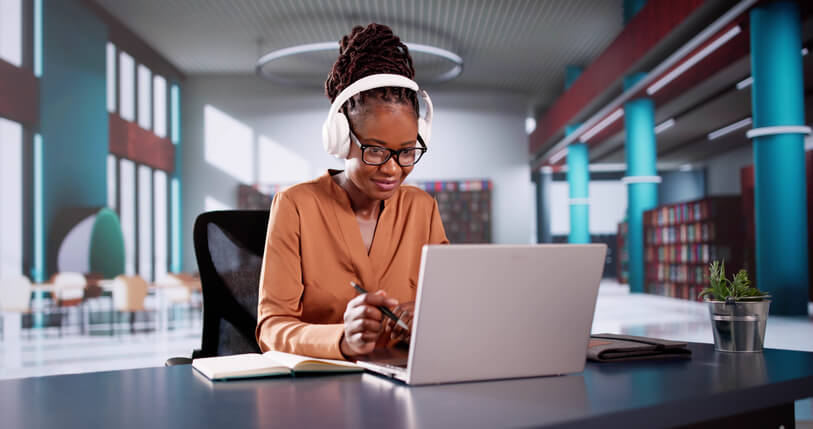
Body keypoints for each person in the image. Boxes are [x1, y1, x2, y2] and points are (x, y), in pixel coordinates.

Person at [255, 23, 448, 361]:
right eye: (375, 150)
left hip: (405, 382)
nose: (392, 168)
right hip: (321, 388)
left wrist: (427, 318)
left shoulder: (423, 208)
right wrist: (342, 338)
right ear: (341, 141)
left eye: (406, 152)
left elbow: (451, 303)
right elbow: (271, 328)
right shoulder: (296, 205)